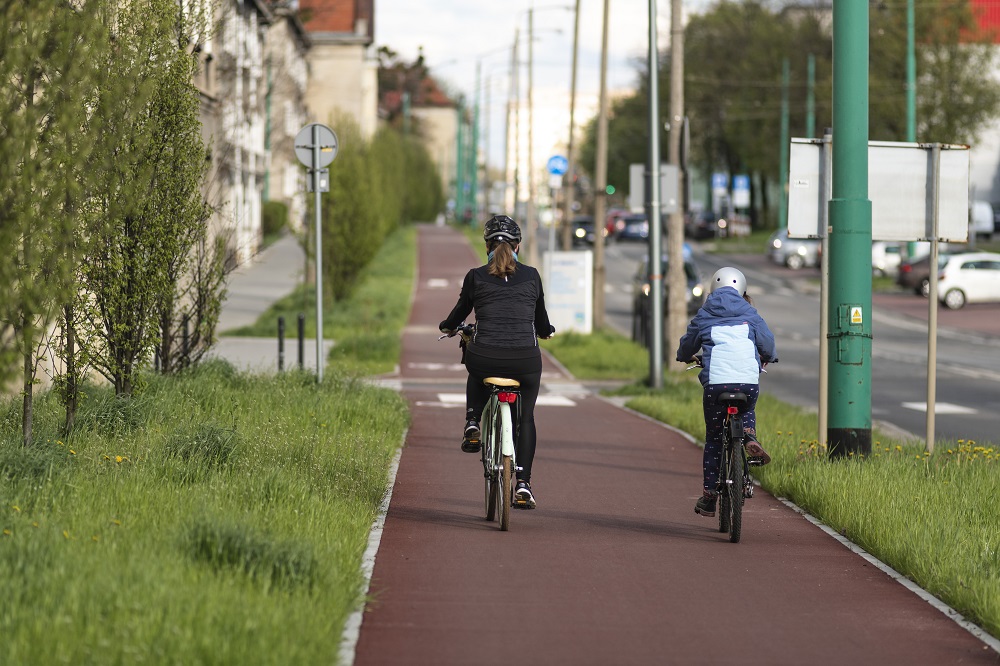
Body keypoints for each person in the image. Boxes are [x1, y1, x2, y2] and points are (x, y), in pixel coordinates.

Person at [439, 214, 555, 509]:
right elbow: (541, 323)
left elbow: (458, 315)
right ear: (518, 246)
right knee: (526, 417)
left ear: (487, 246)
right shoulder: (532, 276)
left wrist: (448, 326)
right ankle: (524, 485)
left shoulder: (476, 276)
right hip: (525, 362)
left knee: (475, 365)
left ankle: (472, 421)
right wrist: (546, 331)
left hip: (486, 359)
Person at [675, 266, 777, 518]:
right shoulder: (750, 313)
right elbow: (767, 342)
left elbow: (688, 343)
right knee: (747, 408)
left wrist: (684, 356)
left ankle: (710, 496)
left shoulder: (705, 313)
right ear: (742, 290)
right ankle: (750, 437)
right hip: (747, 383)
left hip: (716, 385)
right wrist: (768, 357)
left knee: (713, 439)